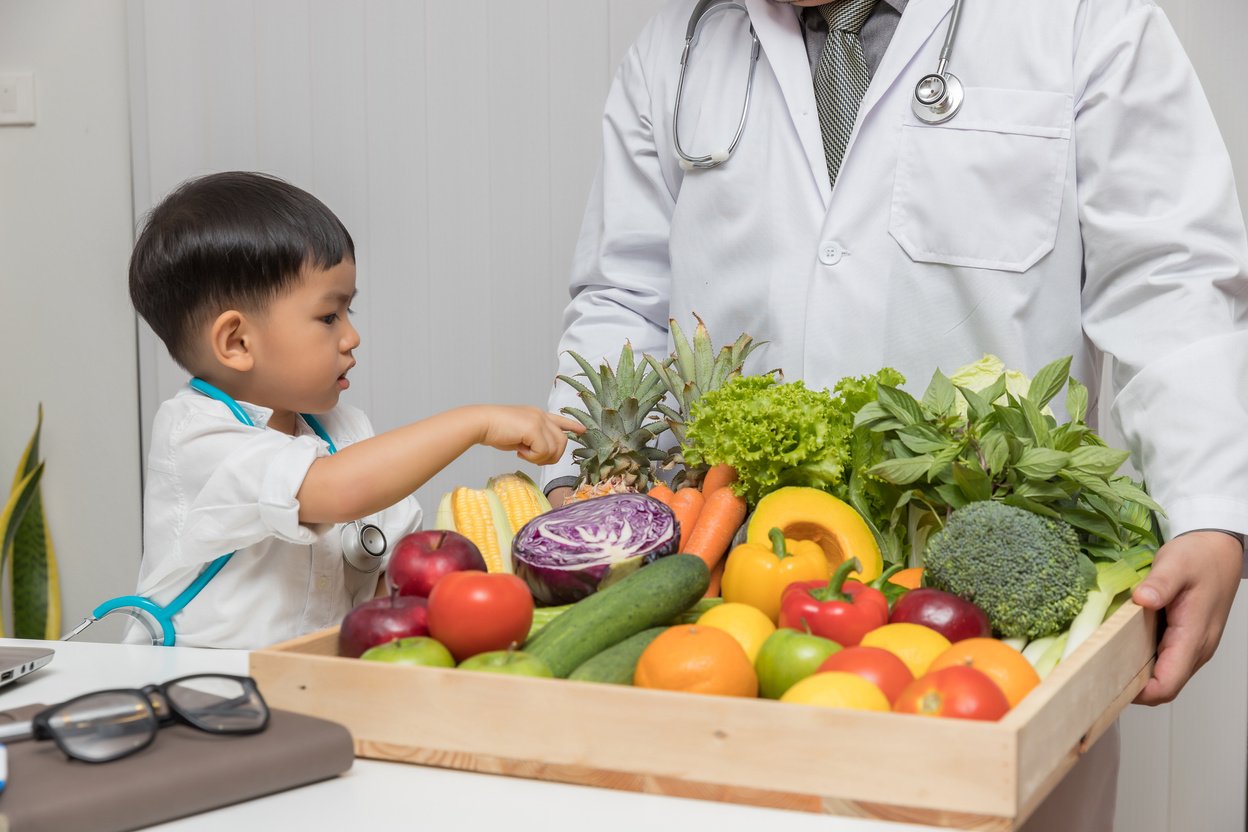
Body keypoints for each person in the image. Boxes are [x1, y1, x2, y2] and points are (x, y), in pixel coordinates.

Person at [544, 0, 1246, 826]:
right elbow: (622, 299)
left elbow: (1168, 283)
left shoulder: (1085, 20)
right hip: (739, 591)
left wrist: (1209, 511)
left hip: (989, 598)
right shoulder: (684, 43)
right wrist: (585, 483)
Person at [127, 171, 577, 650]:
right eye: (328, 317)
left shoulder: (345, 430)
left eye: (348, 313)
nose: (351, 337)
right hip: (200, 688)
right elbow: (333, 490)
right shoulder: (195, 436)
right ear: (237, 342)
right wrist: (476, 422)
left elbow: (393, 576)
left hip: (316, 681)